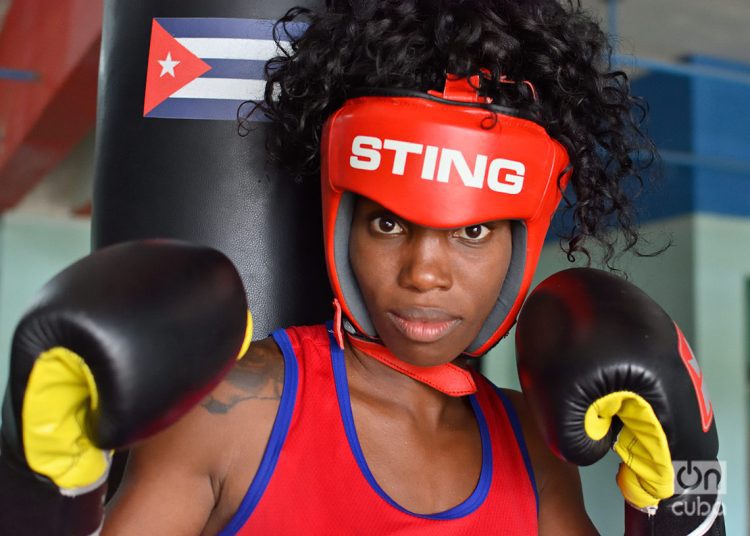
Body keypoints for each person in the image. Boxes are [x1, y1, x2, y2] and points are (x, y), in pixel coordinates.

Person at [101, 1, 658, 534]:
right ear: (342, 221)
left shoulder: (533, 447)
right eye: (388, 224)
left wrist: (687, 496)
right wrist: (33, 478)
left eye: (471, 231)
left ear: (521, 242)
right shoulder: (233, 411)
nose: (423, 274)